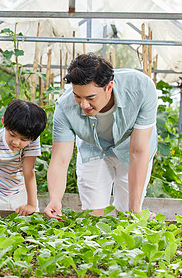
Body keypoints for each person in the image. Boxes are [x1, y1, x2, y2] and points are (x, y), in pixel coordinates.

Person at [44, 53, 158, 220]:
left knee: (128, 213)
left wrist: (135, 209)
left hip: (130, 149)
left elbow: (138, 151)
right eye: (77, 96)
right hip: (94, 150)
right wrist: (55, 200)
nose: (84, 105)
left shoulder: (141, 88)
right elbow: (60, 160)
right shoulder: (64, 107)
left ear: (109, 87)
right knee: (94, 215)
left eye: (91, 98)